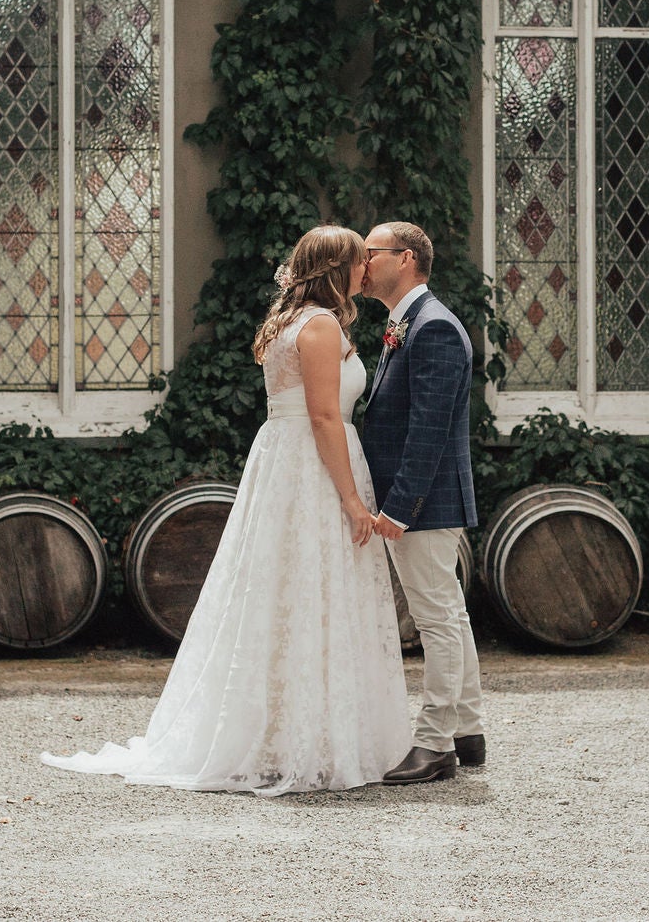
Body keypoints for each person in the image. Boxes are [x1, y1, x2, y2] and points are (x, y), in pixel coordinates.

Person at [41, 225, 411, 795]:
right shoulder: (316, 328)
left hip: (291, 463)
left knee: (291, 595)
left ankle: (294, 729)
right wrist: (353, 501)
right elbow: (323, 419)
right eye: (359, 261)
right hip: (312, 469)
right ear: (337, 269)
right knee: (307, 592)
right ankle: (302, 737)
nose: (367, 269)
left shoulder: (296, 322)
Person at [357, 221, 483, 785]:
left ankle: (434, 744)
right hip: (424, 501)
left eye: (370, 253)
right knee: (449, 613)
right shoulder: (407, 323)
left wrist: (401, 506)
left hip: (424, 503)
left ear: (404, 259)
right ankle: (467, 729)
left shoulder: (432, 328)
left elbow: (428, 430)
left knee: (435, 620)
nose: (362, 263)